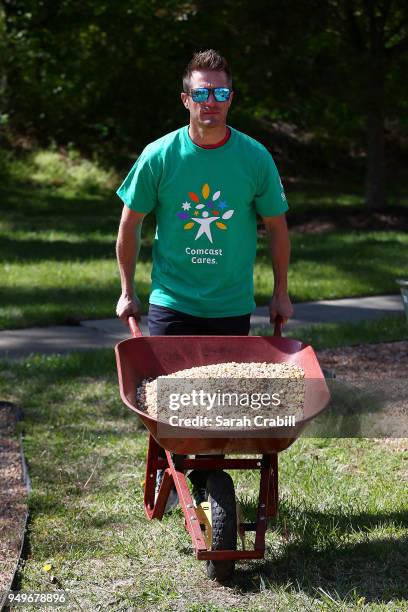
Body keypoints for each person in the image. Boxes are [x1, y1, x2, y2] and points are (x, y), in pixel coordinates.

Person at [115, 49, 293, 509]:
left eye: (219, 93)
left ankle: (205, 479)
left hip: (231, 305)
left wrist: (281, 294)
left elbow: (276, 229)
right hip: (172, 301)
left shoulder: (254, 158)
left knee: (219, 406)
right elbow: (130, 225)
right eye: (201, 93)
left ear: (231, 98)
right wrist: (127, 291)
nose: (210, 101)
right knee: (175, 404)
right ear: (185, 98)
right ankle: (192, 474)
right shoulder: (160, 155)